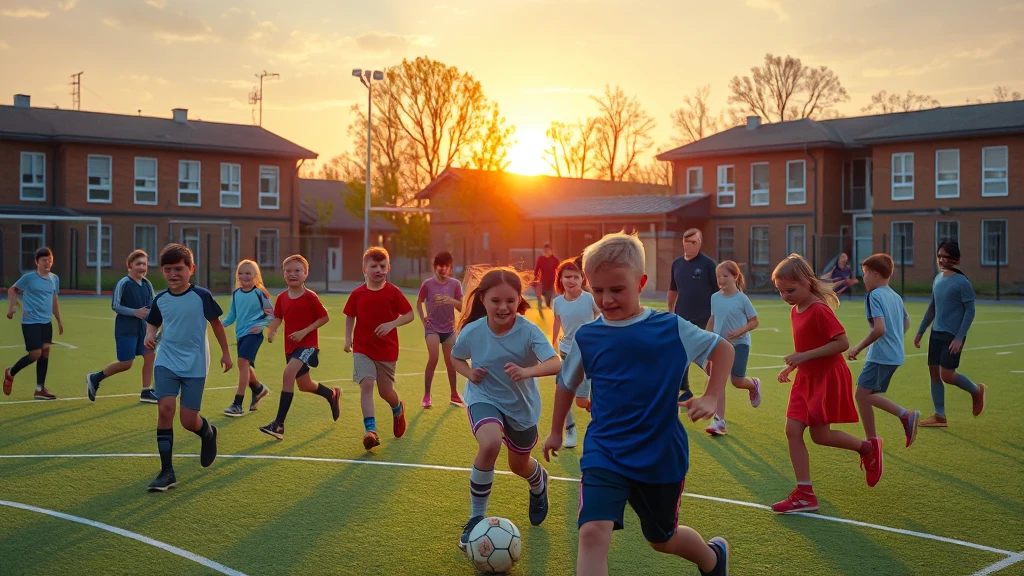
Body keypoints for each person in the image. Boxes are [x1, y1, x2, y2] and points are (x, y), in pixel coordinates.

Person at [542, 232, 732, 576]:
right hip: (605, 451)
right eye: (597, 290)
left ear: (641, 282)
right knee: (591, 533)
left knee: (662, 539)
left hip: (660, 454)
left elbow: (724, 349)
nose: (606, 299)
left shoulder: (670, 327)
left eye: (617, 290)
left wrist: (712, 396)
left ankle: (712, 558)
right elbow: (566, 384)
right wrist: (556, 431)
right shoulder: (588, 336)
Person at [453, 266, 561, 551]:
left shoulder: (528, 331)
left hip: (521, 408)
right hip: (483, 396)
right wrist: (469, 374)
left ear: (518, 300)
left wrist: (527, 372)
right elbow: (456, 358)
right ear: (483, 300)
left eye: (510, 301)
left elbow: (555, 363)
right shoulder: (473, 331)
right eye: (495, 301)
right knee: (489, 444)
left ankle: (539, 483)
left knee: (518, 465)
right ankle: (476, 518)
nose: (503, 307)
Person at [771, 254, 882, 512]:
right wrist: (793, 365)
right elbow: (808, 346)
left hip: (825, 378)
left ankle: (867, 448)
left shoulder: (819, 309)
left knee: (820, 436)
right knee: (793, 430)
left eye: (790, 290)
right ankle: (805, 494)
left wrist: (802, 357)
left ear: (808, 282)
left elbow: (841, 343)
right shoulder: (794, 310)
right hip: (805, 378)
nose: (786, 296)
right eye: (780, 291)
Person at [144, 244, 231, 491]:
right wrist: (148, 336)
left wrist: (225, 353)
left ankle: (208, 433)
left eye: (179, 269)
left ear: (191, 269)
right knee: (165, 409)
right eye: (168, 269)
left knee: (188, 420)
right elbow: (152, 324)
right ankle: (167, 472)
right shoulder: (160, 300)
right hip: (166, 360)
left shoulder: (201, 296)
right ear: (162, 271)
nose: (173, 274)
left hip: (195, 362)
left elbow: (216, 324)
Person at [258, 254, 340, 440]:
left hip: (308, 346)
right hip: (291, 348)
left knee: (288, 374)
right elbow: (278, 317)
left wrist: (305, 331)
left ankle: (278, 425)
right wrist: (272, 330)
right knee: (305, 385)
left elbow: (324, 317)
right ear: (283, 274)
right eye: (288, 271)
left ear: (305, 274)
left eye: (297, 270)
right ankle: (332, 394)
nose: (292, 274)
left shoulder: (310, 297)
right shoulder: (281, 298)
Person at [343, 247, 414, 451]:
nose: (378, 269)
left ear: (388, 268)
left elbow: (409, 315)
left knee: (385, 392)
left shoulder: (393, 292)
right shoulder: (357, 294)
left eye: (382, 266)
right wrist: (348, 338)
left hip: (386, 350)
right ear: (364, 269)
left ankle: (397, 407)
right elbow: (350, 316)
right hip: (362, 348)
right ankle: (371, 430)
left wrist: (392, 324)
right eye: (373, 266)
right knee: (366, 385)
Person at [847, 253, 920, 448]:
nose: (864, 278)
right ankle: (872, 439)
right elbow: (906, 321)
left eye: (865, 273)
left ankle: (906, 416)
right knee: (865, 395)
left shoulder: (874, 295)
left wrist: (858, 347)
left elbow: (879, 329)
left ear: (875, 273)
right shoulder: (894, 295)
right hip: (894, 355)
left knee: (861, 395)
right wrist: (895, 338)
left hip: (881, 356)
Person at [914, 241, 986, 428]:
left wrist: (959, 337)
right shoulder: (938, 279)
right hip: (936, 334)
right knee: (934, 374)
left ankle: (976, 390)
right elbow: (933, 307)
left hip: (952, 335)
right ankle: (940, 415)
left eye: (946, 256)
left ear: (957, 259)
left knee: (947, 374)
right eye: (939, 255)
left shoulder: (962, 283)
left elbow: (970, 311)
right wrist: (921, 331)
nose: (941, 260)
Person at [86, 250, 158, 404]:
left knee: (150, 356)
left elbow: (153, 304)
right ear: (129, 265)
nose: (142, 267)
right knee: (126, 363)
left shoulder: (147, 284)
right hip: (126, 330)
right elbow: (115, 305)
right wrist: (135, 312)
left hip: (144, 330)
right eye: (138, 264)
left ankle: (146, 391)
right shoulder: (124, 283)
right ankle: (95, 377)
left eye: (144, 264)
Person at [704, 260, 762, 436]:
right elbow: (713, 319)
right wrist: (705, 340)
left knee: (736, 381)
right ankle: (719, 421)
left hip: (740, 344)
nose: (721, 279)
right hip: (720, 346)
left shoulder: (742, 299)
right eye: (718, 276)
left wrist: (740, 330)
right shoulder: (714, 297)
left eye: (725, 276)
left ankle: (753, 385)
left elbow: (754, 321)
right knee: (718, 381)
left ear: (735, 277)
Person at [550, 258, 599, 449]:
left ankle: (594, 409)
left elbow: (600, 316)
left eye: (575, 277)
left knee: (580, 400)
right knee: (562, 393)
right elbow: (556, 322)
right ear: (560, 279)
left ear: (582, 279)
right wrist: (552, 342)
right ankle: (569, 429)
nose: (571, 280)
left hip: (587, 353)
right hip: (564, 352)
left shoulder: (589, 298)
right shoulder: (557, 302)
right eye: (567, 277)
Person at [4, 247, 63, 400]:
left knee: (45, 352)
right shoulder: (29, 278)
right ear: (37, 262)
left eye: (49, 259)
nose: (47, 262)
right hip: (30, 322)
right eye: (44, 260)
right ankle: (10, 373)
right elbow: (12, 290)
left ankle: (39, 389)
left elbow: (54, 300)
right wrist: (11, 308)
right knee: (35, 354)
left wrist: (58, 320)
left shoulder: (54, 279)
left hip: (46, 322)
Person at [667, 229, 718, 403]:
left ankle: (716, 384)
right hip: (682, 316)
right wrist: (670, 309)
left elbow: (718, 291)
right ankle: (685, 390)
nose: (690, 246)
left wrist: (717, 314)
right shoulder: (677, 264)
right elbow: (673, 289)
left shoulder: (708, 264)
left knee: (701, 354)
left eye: (694, 242)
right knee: (680, 353)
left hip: (704, 317)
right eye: (687, 242)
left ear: (700, 243)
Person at [221, 260, 273, 417]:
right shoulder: (236, 293)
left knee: (242, 363)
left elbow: (271, 314)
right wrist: (219, 324)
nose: (244, 276)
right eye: (241, 273)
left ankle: (237, 404)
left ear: (255, 276)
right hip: (241, 335)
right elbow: (232, 315)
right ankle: (258, 389)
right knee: (245, 365)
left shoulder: (259, 293)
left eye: (248, 273)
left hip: (254, 335)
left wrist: (260, 326)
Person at [416, 251, 465, 409]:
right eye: (439, 265)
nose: (442, 268)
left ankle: (454, 394)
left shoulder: (455, 284)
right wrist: (424, 319)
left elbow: (461, 307)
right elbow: (419, 302)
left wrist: (450, 300)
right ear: (434, 266)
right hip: (433, 329)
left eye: (446, 266)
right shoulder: (428, 284)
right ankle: (427, 395)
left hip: (449, 329)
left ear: (450, 267)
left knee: (451, 363)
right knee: (434, 358)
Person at [533, 242, 559, 319]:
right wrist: (535, 278)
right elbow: (536, 269)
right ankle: (540, 310)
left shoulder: (555, 260)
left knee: (548, 300)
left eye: (547, 250)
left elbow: (558, 271)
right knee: (540, 297)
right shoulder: (541, 259)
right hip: (542, 282)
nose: (546, 252)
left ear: (551, 250)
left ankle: (547, 312)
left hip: (551, 283)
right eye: (545, 250)